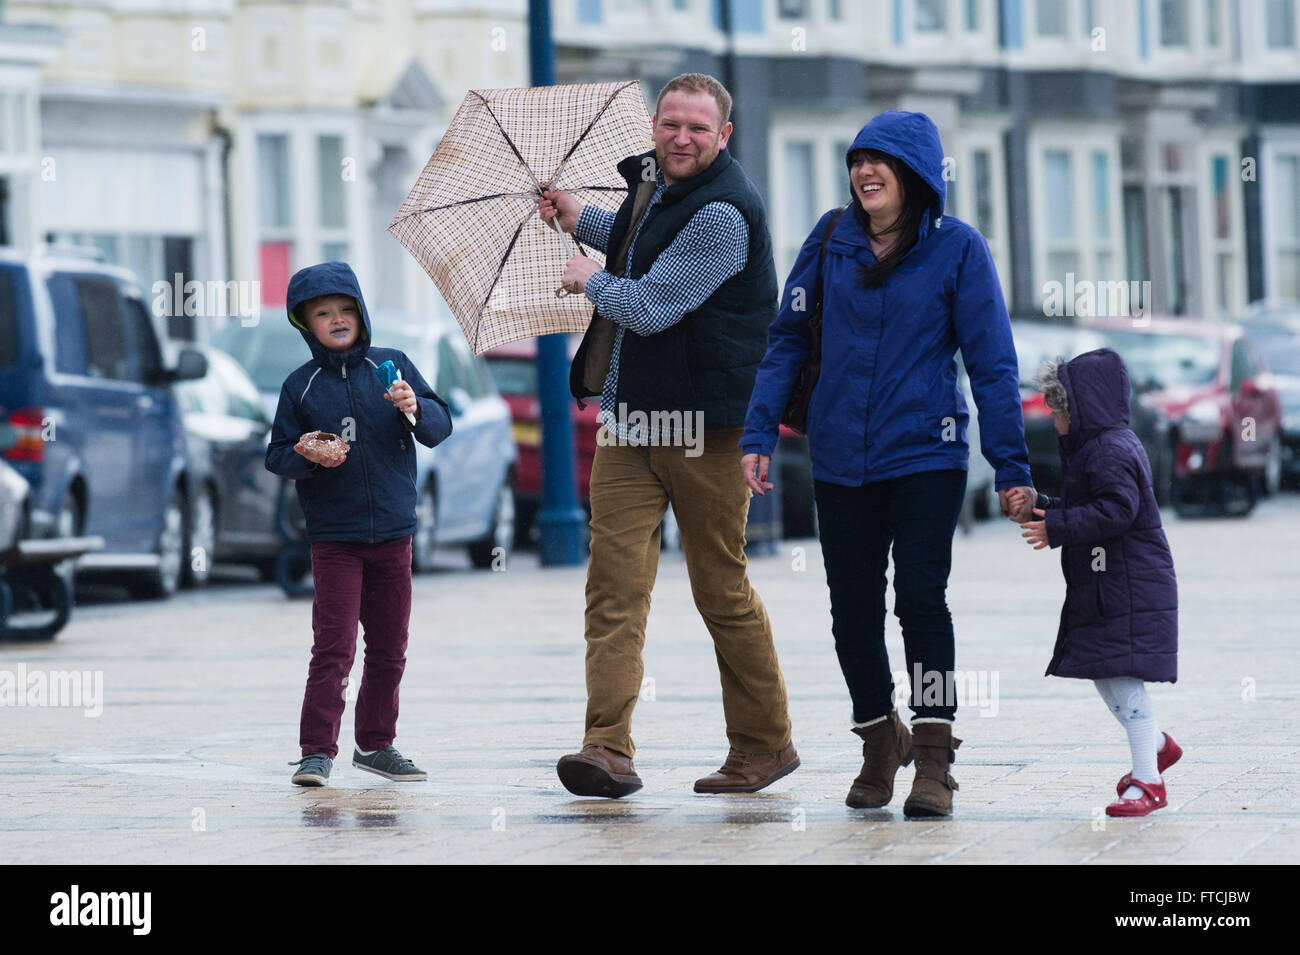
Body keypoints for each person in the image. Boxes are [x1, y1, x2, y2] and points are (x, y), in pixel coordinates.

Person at [741, 110, 1036, 817]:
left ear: (916, 175)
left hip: (925, 453)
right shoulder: (830, 237)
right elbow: (787, 337)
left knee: (921, 603)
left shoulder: (958, 249)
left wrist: (1012, 465)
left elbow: (992, 365)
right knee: (851, 614)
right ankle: (879, 740)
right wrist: (758, 431)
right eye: (857, 159)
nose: (865, 172)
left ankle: (933, 756)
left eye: (882, 161)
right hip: (840, 456)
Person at [538, 73, 798, 798]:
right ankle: (607, 748)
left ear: (724, 137)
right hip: (633, 421)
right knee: (613, 587)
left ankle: (764, 743)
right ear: (654, 124)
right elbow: (638, 236)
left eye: (697, 128)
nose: (681, 138)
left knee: (720, 588)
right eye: (671, 123)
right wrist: (576, 214)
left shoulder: (723, 212)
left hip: (706, 429)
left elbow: (650, 303)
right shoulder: (654, 186)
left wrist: (586, 278)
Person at [266, 261, 452, 787]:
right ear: (305, 324)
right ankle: (316, 751)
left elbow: (439, 427)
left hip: (394, 533)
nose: (337, 318)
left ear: (362, 314)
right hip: (335, 540)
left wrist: (415, 407)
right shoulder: (299, 387)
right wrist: (305, 453)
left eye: (346, 309)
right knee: (334, 646)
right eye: (323, 313)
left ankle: (376, 745)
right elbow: (277, 456)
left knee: (390, 646)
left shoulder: (391, 367)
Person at [1012, 350, 1180, 817]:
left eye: (1057, 408)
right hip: (1110, 584)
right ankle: (1158, 747)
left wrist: (1056, 528)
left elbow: (1116, 511)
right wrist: (1043, 506)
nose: (1052, 415)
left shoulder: (1109, 448)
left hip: (1127, 585)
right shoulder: (1099, 446)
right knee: (1106, 673)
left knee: (1121, 677)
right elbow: (1091, 503)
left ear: (1080, 408)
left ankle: (1149, 780)